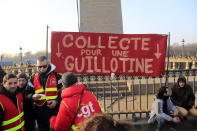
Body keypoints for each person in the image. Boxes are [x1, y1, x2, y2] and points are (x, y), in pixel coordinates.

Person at [30, 56, 62, 131]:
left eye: (44, 66)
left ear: (48, 64)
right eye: (39, 67)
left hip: (55, 111)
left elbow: (63, 93)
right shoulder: (32, 78)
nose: (42, 68)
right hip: (40, 113)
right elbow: (27, 94)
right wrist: (32, 96)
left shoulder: (57, 76)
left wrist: (56, 101)